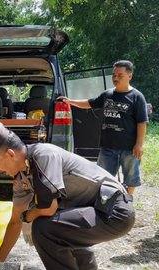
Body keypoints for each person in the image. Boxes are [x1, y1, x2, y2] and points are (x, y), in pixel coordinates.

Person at [0, 120, 135, 270]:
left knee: (44, 227)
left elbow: (48, 208)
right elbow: (15, 222)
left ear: (11, 154)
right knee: (61, 226)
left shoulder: (43, 155)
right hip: (95, 210)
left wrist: (28, 217)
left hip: (114, 210)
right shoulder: (21, 178)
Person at [58, 60, 148, 195]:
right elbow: (90, 103)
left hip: (129, 148)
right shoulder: (107, 95)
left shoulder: (137, 97)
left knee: (131, 179)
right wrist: (70, 101)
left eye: (120, 75)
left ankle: (127, 203)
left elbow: (142, 122)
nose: (115, 78)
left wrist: (139, 144)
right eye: (114, 75)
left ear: (130, 76)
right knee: (102, 177)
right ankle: (105, 202)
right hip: (108, 147)